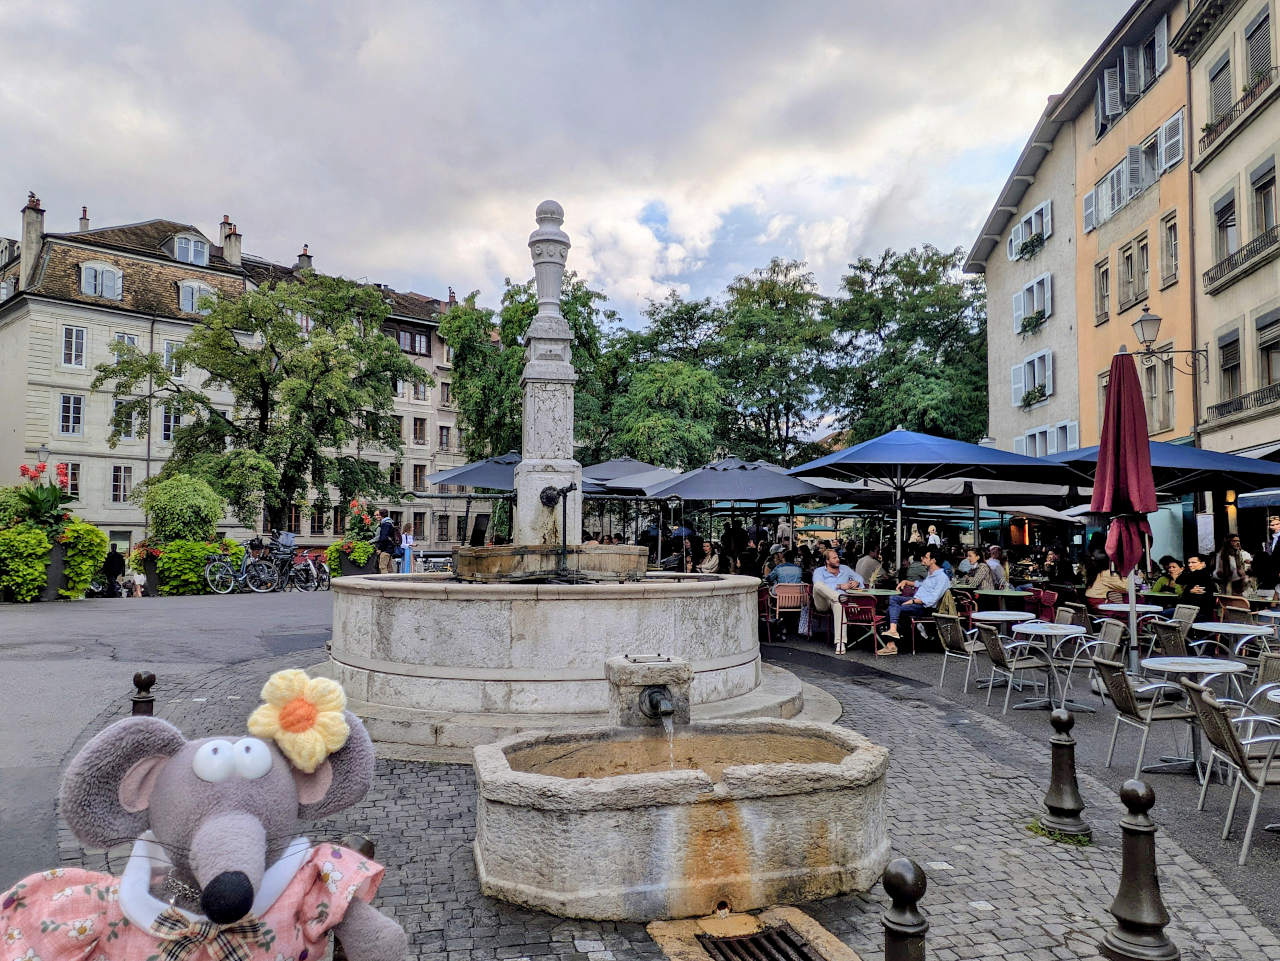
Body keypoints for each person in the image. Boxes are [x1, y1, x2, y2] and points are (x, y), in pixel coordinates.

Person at [883, 547, 950, 651]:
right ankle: (893, 630)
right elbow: (923, 585)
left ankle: (891, 644)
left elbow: (932, 599)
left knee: (891, 611)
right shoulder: (931, 573)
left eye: (925, 557)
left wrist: (913, 601)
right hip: (916, 601)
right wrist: (907, 582)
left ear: (933, 561)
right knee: (893, 598)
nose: (922, 559)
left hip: (924, 607)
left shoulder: (942, 578)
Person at [810, 549, 865, 655]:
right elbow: (818, 584)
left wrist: (856, 582)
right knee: (817, 585)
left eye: (837, 557)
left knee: (839, 605)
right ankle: (839, 597)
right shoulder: (819, 571)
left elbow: (859, 578)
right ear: (827, 561)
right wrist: (839, 586)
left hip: (837, 602)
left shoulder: (845, 569)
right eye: (834, 558)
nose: (837, 559)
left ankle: (840, 642)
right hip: (823, 601)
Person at [1180, 553, 1217, 621]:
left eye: (1193, 562)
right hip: (1189, 611)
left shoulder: (1203, 577)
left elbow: (1199, 600)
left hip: (1197, 614)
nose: (1190, 565)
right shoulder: (1194, 576)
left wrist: (1187, 591)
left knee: (1163, 614)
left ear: (1203, 564)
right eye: (1189, 563)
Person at [372, 508, 398, 574]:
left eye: (378, 515)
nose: (377, 516)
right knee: (389, 568)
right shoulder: (390, 522)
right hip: (390, 548)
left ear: (381, 515)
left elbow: (383, 538)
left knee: (383, 567)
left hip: (385, 549)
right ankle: (392, 582)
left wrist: (380, 549)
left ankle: (385, 582)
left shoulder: (385, 524)